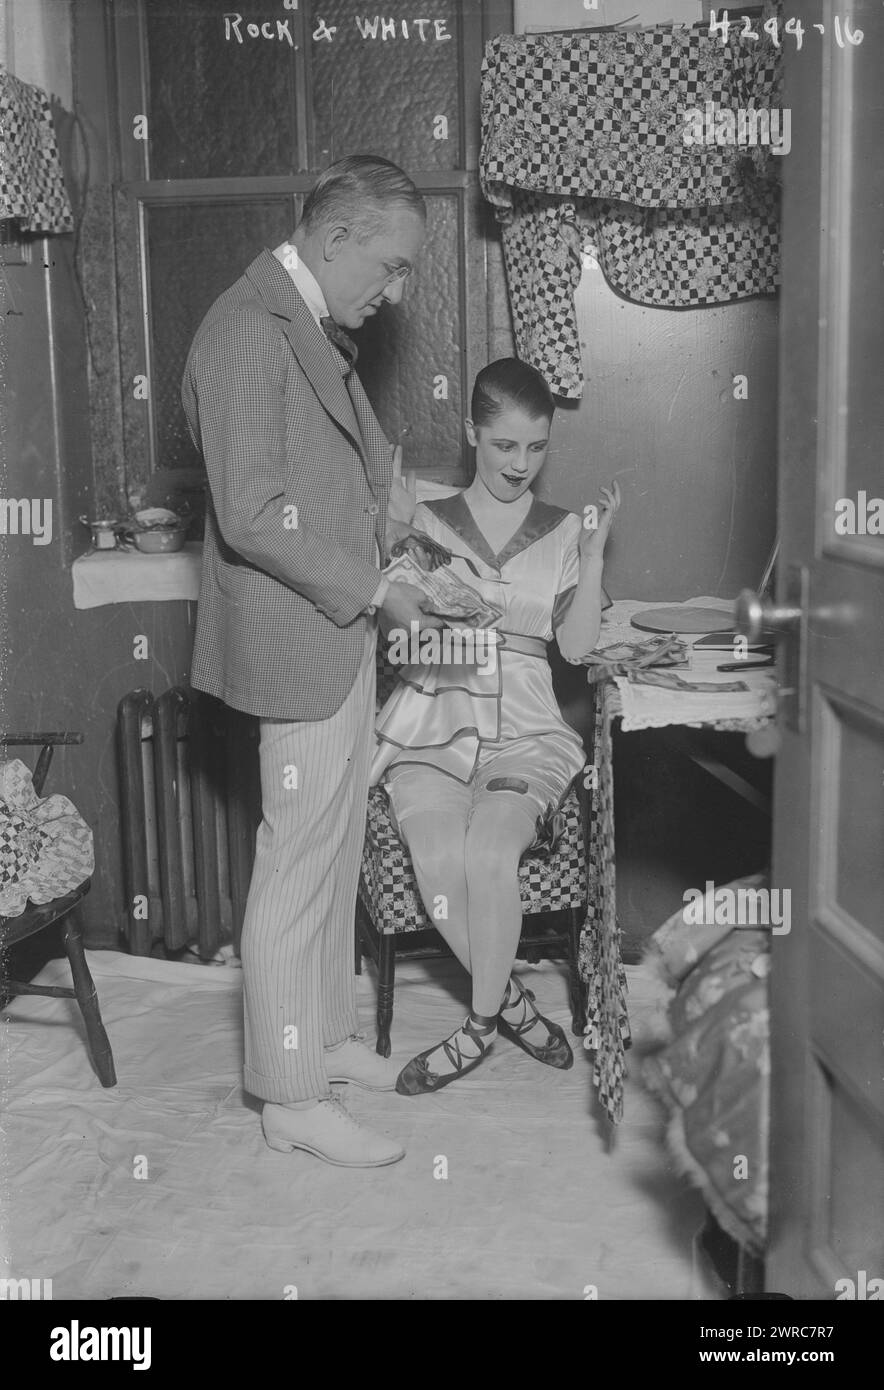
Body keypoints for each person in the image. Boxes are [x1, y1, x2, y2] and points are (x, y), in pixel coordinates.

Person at [182, 155, 443, 1166]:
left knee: (330, 859)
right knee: (295, 866)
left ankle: (325, 1039)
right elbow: (251, 515)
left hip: (331, 637)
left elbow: (347, 471)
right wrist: (378, 587)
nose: (397, 291)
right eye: (388, 265)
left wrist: (411, 532)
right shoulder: (249, 334)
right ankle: (289, 1094)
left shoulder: (305, 325)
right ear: (334, 238)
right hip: (299, 641)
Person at [370, 358, 621, 1094]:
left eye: (536, 448)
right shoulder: (430, 517)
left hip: (528, 726)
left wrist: (596, 554)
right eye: (504, 445)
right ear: (472, 432)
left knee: (491, 848)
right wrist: (418, 588)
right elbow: (396, 627)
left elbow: (574, 648)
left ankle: (478, 1028)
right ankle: (510, 1000)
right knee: (436, 852)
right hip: (433, 713)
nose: (520, 464)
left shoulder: (565, 528)